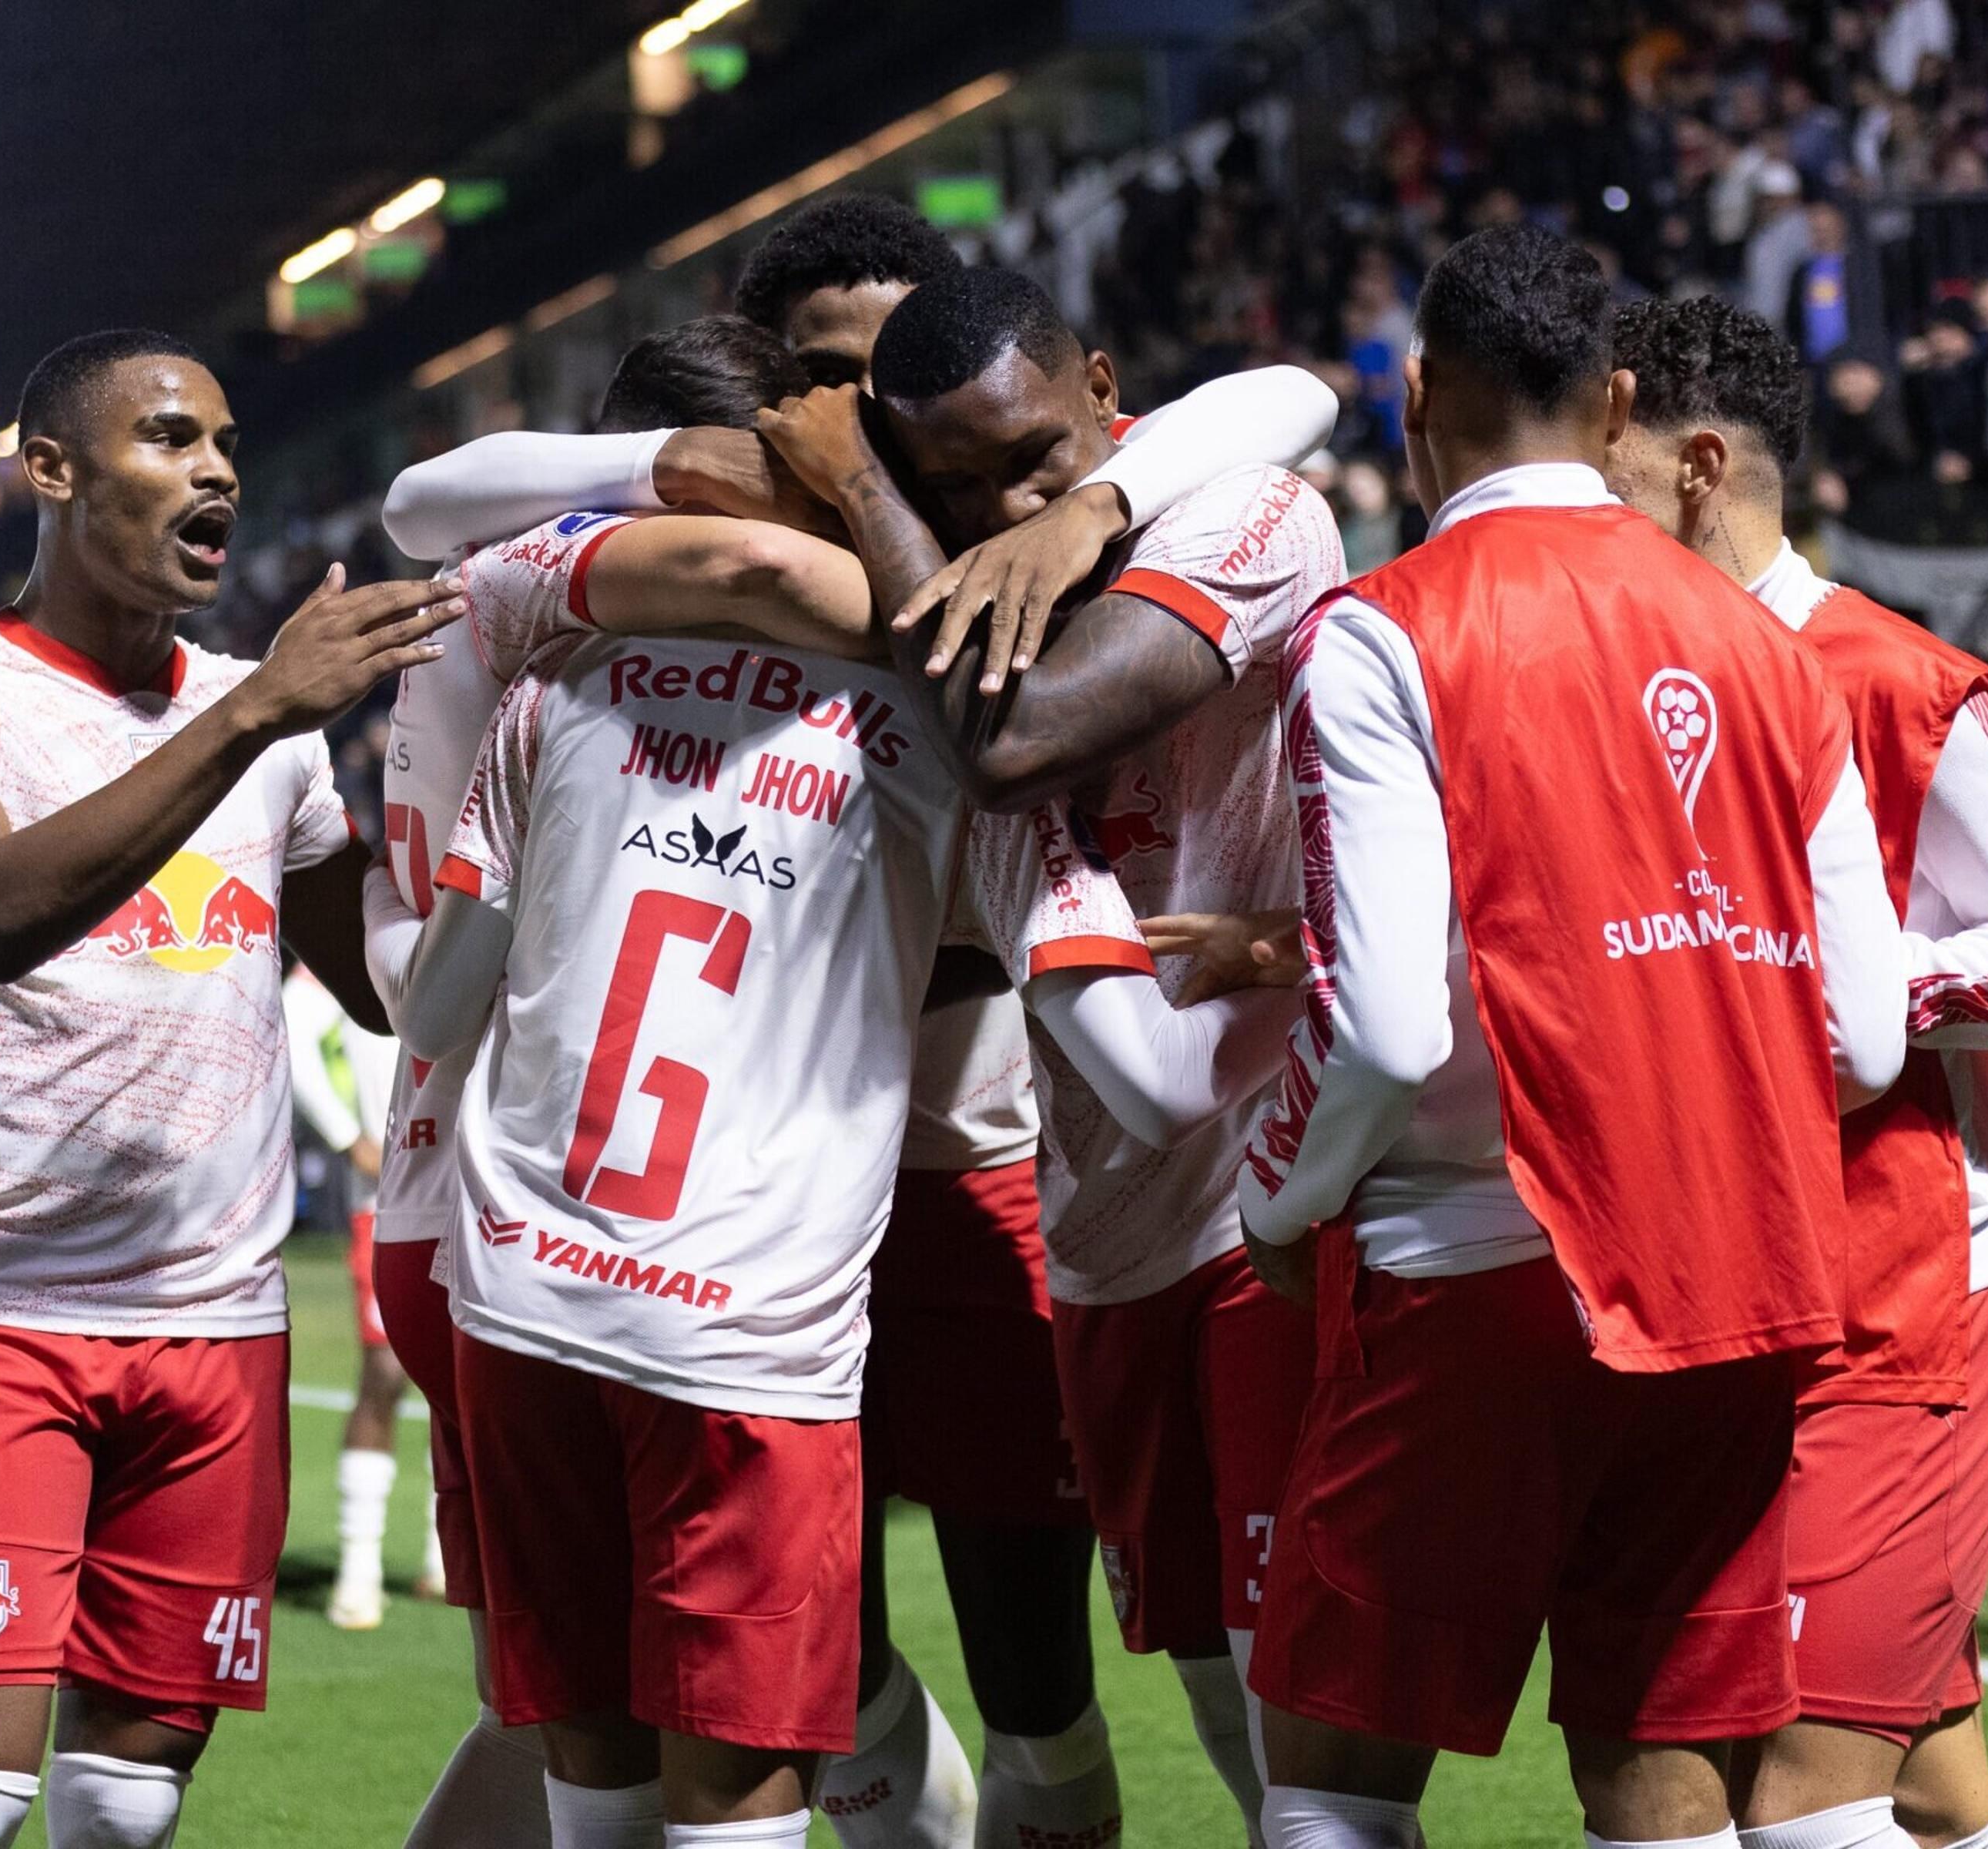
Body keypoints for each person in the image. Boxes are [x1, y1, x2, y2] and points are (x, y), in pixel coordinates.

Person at [382, 196, 1337, 1849]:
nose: (931, 469)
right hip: (738, 1225)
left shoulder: (1091, 555)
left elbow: (1283, 401)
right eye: (860, 404)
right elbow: (426, 507)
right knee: (757, 1672)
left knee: (1032, 1666)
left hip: (976, 1182)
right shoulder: (871, 648)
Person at [1228, 226, 1909, 1849]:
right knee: (1657, 1764)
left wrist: (1276, 1197)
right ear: (1615, 403)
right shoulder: (1769, 642)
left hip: (1480, 1267)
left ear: (1419, 396)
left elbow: (1386, 1023)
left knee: (1331, 1766)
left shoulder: (1382, 629)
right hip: (1740, 1275)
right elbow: (1870, 1036)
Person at [0, 327, 455, 1849]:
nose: (217, 466)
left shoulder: (285, 743)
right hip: (2, 1312)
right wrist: (246, 720)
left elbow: (391, 988)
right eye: (171, 437)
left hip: (218, 1335)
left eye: (226, 442)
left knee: (121, 1812)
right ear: (52, 469)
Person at [760, 261, 1349, 1842]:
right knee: (1207, 1674)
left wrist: (1027, 521)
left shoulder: (1243, 520)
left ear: (1106, 392)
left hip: (1266, 1200)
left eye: (1040, 458)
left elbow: (1017, 746)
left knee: (1312, 1764)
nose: (1011, 503)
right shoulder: (937, 627)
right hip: (1097, 1228)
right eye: (959, 485)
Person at [1607, 294, 1988, 1849]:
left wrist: (1840, 993)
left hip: (1914, 1298)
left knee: (1798, 1791)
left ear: (1699, 466)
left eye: (1612, 464)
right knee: (1925, 1775)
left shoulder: (1900, 681)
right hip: (1730, 1300)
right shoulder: (1632, 680)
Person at [278, 952, 420, 1630]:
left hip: (479, 1190)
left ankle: (449, 1558)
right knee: (386, 1370)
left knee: (473, 1379)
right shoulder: (365, 924)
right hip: (386, 1198)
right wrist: (344, 1134)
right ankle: (359, 1569)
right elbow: (292, 1024)